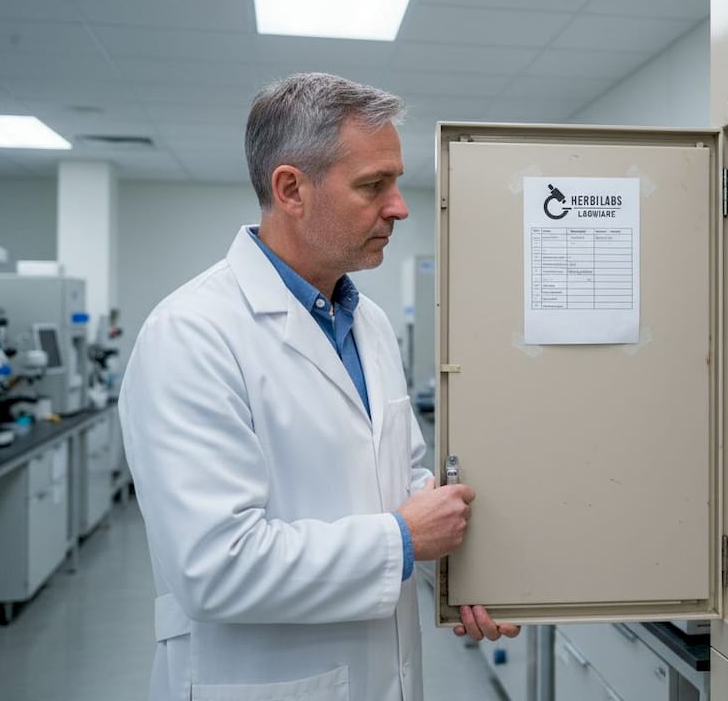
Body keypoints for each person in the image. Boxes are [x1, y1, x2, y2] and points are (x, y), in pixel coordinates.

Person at [119, 72, 518, 701]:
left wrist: (464, 571)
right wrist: (405, 539)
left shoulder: (369, 322)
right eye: (373, 185)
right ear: (290, 189)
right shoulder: (191, 333)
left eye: (396, 181)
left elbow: (403, 482)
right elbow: (214, 566)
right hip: (262, 680)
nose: (400, 205)